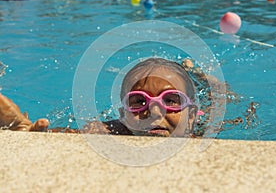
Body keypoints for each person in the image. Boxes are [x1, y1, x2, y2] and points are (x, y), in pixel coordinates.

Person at [0, 57, 202, 137]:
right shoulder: (115, 129)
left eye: (171, 100)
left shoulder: (195, 131)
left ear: (191, 115)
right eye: (139, 101)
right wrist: (27, 130)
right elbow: (74, 134)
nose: (154, 112)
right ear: (124, 114)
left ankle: (194, 71)